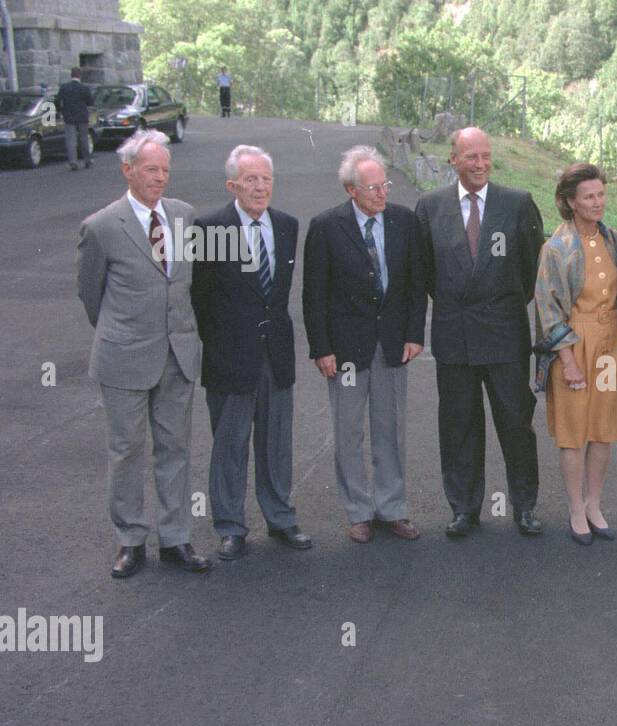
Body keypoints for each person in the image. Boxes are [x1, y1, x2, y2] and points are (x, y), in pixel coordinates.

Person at [76, 129, 209, 578]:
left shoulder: (184, 216)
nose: (159, 178)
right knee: (126, 450)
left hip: (178, 354)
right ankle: (130, 539)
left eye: (165, 170)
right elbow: (90, 295)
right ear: (127, 169)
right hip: (124, 358)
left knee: (175, 448)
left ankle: (176, 538)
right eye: (150, 169)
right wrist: (124, 333)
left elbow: (185, 284)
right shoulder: (100, 227)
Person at [414, 127, 545, 539]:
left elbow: (531, 272)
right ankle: (464, 509)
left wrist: (500, 304)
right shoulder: (430, 207)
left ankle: (524, 506)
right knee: (458, 425)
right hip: (455, 335)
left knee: (515, 423)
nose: (481, 164)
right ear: (452, 159)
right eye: (471, 156)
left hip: (505, 333)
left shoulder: (517, 203)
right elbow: (426, 275)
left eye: (486, 155)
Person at [191, 145, 311, 560]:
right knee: (230, 444)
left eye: (266, 179)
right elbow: (201, 299)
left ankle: (280, 517)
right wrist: (222, 343)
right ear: (232, 185)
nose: (260, 187)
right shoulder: (210, 227)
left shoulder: (287, 225)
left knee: (276, 443)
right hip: (229, 357)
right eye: (251, 180)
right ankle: (230, 525)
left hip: (275, 354)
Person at [303, 146, 428, 543]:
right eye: (372, 187)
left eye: (385, 184)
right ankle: (358, 511)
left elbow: (415, 283)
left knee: (390, 429)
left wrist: (414, 334)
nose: (381, 193)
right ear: (351, 190)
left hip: (392, 344)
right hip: (346, 351)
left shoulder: (404, 221)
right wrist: (322, 348)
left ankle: (392, 507)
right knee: (349, 430)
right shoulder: (326, 226)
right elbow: (314, 294)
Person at [533, 163, 617, 545]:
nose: (597, 202)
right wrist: (569, 361)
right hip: (574, 344)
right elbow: (548, 308)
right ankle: (575, 508)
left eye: (601, 194)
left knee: (604, 431)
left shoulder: (615, 240)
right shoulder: (557, 247)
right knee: (574, 434)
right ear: (570, 202)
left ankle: (594, 504)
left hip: (613, 341)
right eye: (588, 196)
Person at [56, 67, 95, 171]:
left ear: (71, 75)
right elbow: (90, 102)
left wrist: (60, 111)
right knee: (84, 139)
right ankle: (87, 160)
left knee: (71, 140)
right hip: (82, 116)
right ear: (80, 75)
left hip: (69, 116)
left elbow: (57, 101)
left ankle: (73, 162)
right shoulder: (84, 88)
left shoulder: (64, 88)